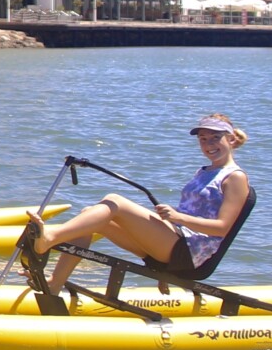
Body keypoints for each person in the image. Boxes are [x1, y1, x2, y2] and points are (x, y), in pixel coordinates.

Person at [17, 114, 253, 297]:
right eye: (203, 139)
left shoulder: (235, 177)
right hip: (173, 245)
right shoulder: (204, 171)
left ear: (231, 139)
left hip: (188, 253)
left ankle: (51, 237)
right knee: (91, 215)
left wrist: (177, 218)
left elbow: (222, 228)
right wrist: (166, 268)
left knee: (115, 202)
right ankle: (55, 284)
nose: (209, 144)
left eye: (215, 138)